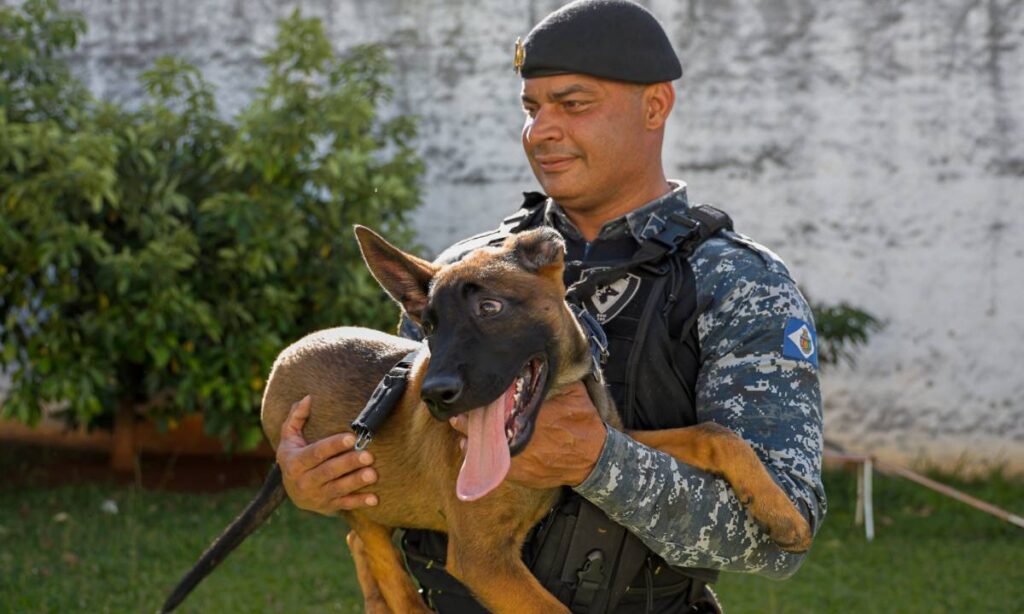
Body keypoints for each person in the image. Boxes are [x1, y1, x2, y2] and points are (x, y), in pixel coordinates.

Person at [275, 1, 826, 612]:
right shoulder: (460, 274)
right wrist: (319, 480)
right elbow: (411, 464)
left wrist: (599, 461)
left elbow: (777, 547)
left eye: (574, 104)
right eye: (532, 109)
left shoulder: (736, 282)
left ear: (655, 105)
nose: (542, 131)